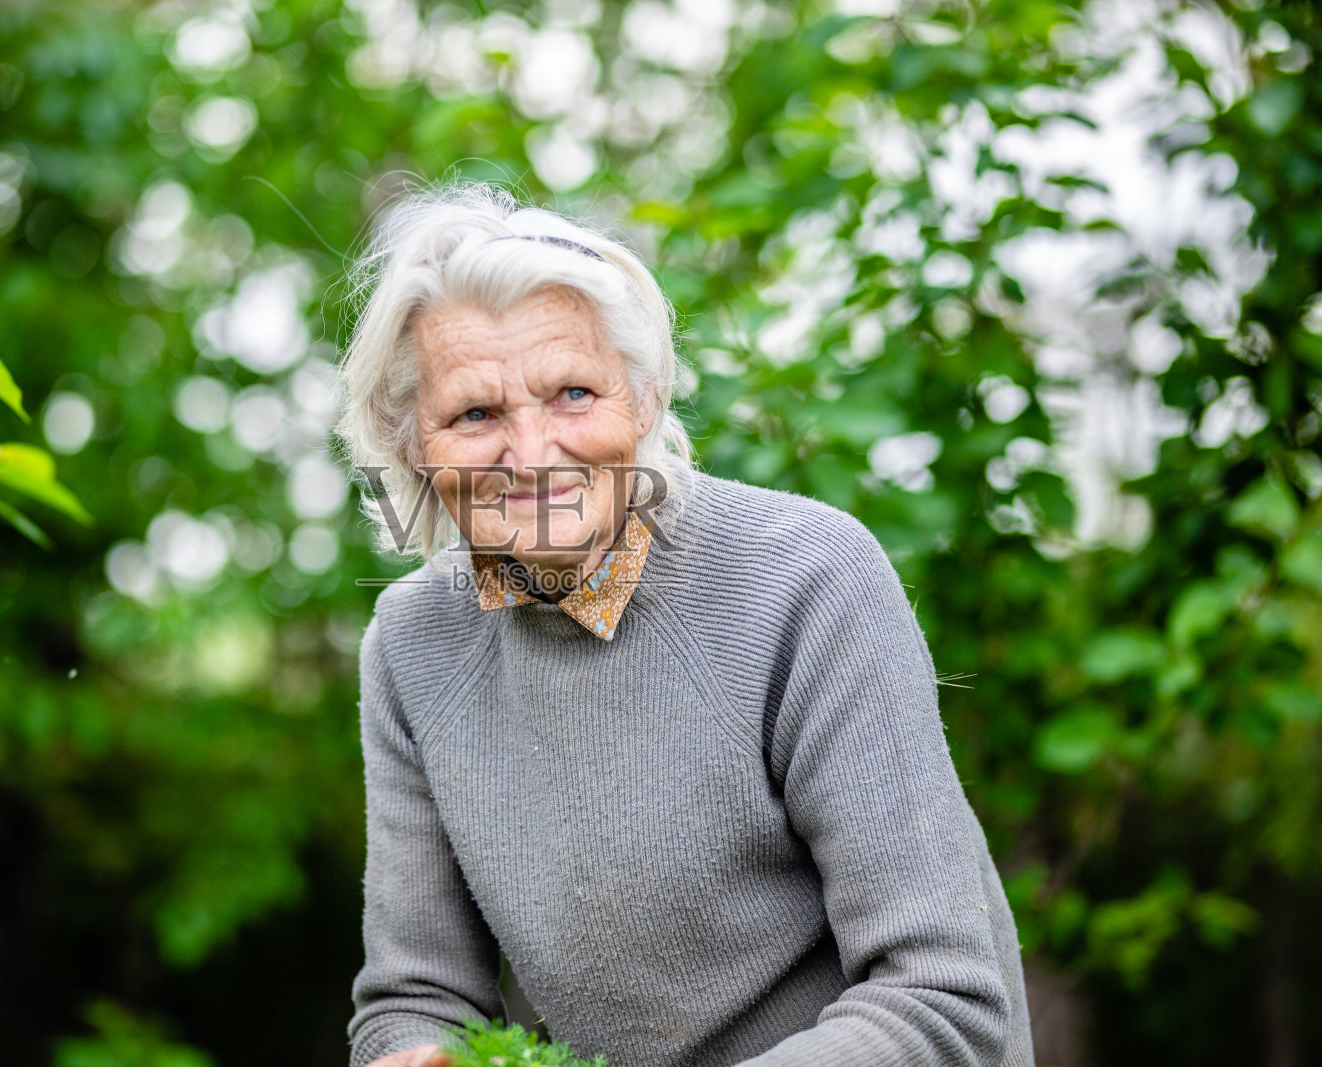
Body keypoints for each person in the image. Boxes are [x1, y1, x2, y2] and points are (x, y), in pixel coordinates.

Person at [334, 181, 1034, 1067]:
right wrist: (412, 1053)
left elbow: (944, 999)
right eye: (475, 414)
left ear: (647, 397)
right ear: (411, 446)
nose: (534, 452)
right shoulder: (412, 646)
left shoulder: (807, 577)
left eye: (575, 394)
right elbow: (416, 995)